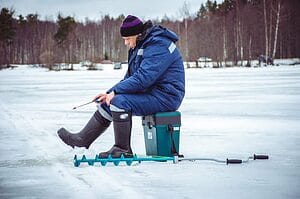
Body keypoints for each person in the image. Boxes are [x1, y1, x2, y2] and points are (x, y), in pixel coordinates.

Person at [57, 15, 185, 158]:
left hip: (166, 96)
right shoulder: (139, 45)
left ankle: (122, 149)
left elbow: (143, 78)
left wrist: (116, 93)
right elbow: (131, 77)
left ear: (137, 34)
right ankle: (82, 140)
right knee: (109, 101)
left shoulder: (158, 45)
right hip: (152, 93)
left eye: (127, 39)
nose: (125, 43)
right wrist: (109, 93)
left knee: (119, 102)